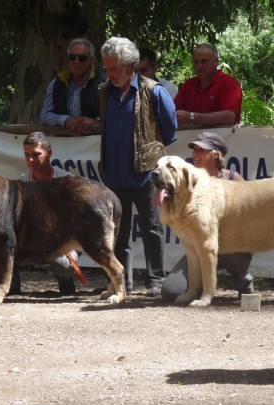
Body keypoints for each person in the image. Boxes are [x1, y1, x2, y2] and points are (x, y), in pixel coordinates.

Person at [99, 37, 177, 297]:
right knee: (118, 232)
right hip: (114, 174)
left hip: (147, 176)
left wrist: (148, 155)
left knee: (152, 228)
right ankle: (122, 282)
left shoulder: (154, 91)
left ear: (130, 66)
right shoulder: (103, 92)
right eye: (106, 68)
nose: (108, 74)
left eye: (113, 69)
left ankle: (155, 281)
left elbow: (169, 131)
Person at [161, 132, 253, 302]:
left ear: (216, 154)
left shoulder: (234, 178)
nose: (195, 154)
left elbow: (248, 217)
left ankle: (243, 282)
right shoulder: (188, 178)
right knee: (170, 292)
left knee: (231, 252)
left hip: (232, 246)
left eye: (201, 150)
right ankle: (200, 284)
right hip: (199, 248)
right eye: (194, 149)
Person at [10, 131, 79, 296]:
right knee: (4, 244)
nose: (30, 160)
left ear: (49, 154)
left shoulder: (66, 180)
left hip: (60, 238)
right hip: (31, 238)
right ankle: (11, 286)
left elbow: (74, 220)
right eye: (27, 155)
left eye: (36, 154)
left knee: (64, 264)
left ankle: (66, 284)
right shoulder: (22, 181)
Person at [40, 38, 106, 136]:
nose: (76, 61)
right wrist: (65, 120)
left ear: (91, 60)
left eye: (82, 58)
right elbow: (45, 116)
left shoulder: (104, 81)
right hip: (66, 145)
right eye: (72, 57)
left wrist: (96, 121)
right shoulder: (55, 84)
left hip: (95, 145)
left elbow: (115, 113)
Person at [174, 43, 242, 127]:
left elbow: (229, 118)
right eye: (196, 62)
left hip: (222, 139)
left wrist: (192, 117)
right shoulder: (189, 85)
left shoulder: (229, 83)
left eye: (204, 61)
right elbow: (173, 113)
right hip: (191, 139)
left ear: (216, 61)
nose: (199, 66)